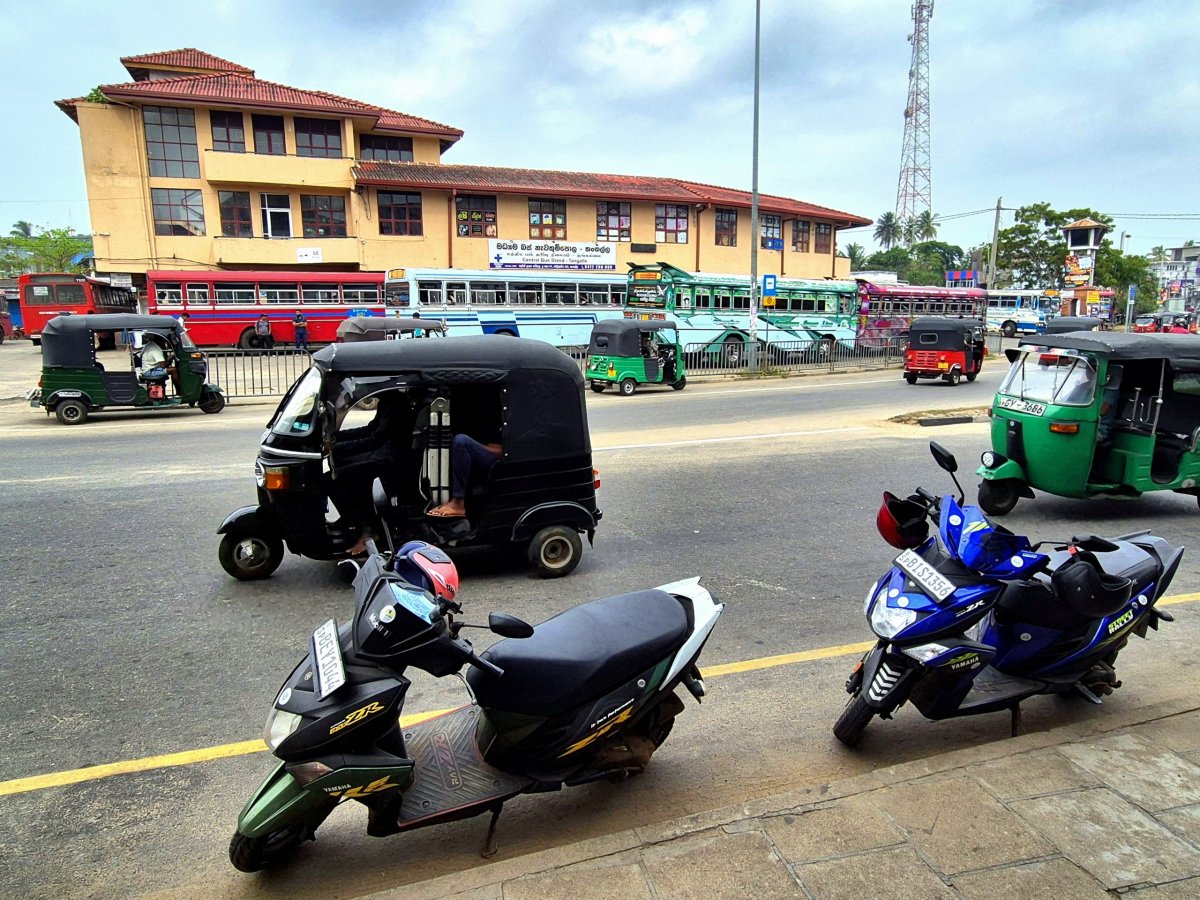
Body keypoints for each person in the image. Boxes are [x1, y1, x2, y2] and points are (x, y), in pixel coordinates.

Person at [427, 433, 503, 518]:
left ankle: (458, 503)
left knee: (461, 441)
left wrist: (474, 446)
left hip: (498, 462)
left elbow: (505, 450)